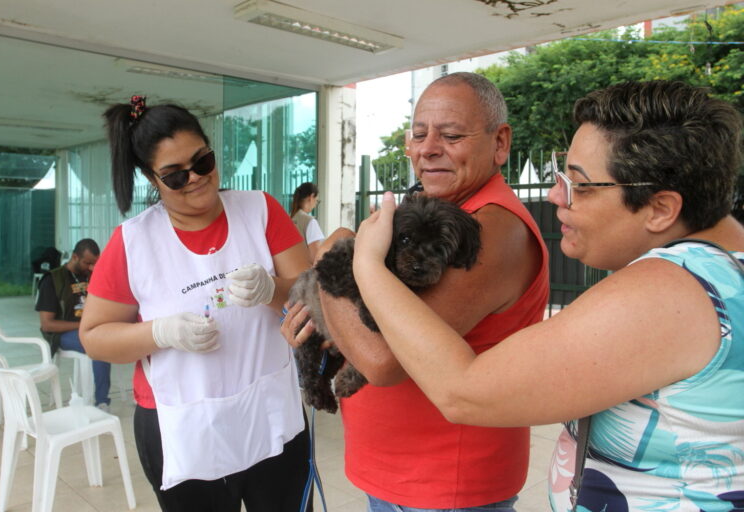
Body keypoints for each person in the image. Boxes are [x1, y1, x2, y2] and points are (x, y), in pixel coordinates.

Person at [351, 80, 744, 511]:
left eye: (578, 183)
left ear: (661, 209)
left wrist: (364, 263)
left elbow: (461, 390)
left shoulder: (672, 288)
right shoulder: (723, 266)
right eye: (560, 175)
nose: (556, 195)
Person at [283, 72, 550, 511]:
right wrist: (327, 327)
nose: (428, 148)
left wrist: (335, 258)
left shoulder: (491, 226)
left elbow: (383, 358)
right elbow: (371, 315)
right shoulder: (440, 210)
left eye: (452, 135)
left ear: (500, 142)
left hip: (444, 481)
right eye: (419, 134)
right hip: (399, 472)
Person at [79, 96, 313, 512]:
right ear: (153, 179)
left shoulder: (260, 211)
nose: (195, 179)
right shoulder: (133, 243)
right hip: (180, 425)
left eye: (202, 162)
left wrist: (271, 288)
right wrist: (161, 332)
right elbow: (95, 337)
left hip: (270, 412)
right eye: (174, 176)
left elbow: (311, 291)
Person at [35, 238, 111, 410]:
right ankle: (102, 402)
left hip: (90, 328)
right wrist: (82, 326)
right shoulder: (52, 280)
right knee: (97, 344)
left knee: (110, 340)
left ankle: (103, 400)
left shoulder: (92, 276)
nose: (91, 267)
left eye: (95, 264)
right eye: (88, 263)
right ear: (75, 257)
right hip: (61, 334)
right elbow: (47, 324)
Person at [290, 182, 325, 263]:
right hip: (305, 272)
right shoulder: (310, 222)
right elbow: (315, 258)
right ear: (311, 197)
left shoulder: (289, 218)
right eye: (317, 201)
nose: (316, 205)